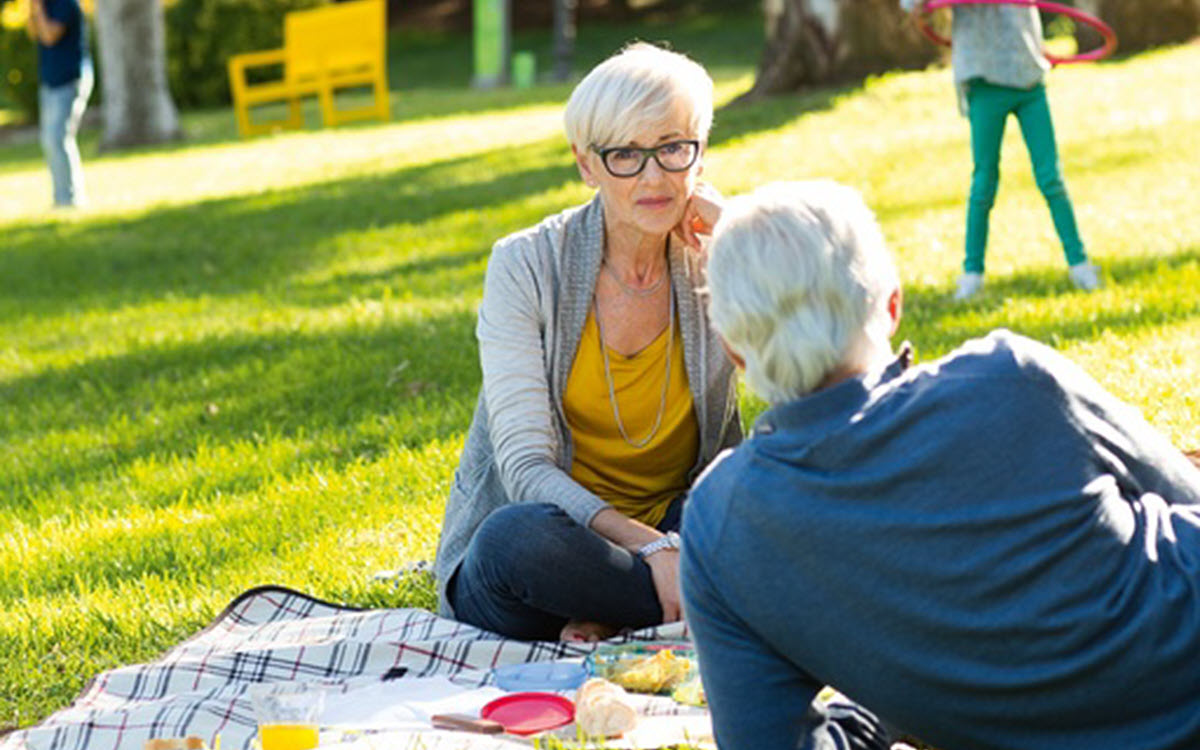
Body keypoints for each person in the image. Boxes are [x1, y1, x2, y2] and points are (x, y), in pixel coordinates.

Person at [680, 180, 1200, 749]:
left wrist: (881, 705)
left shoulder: (720, 523)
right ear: (892, 305)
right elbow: (1186, 494)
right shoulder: (1011, 376)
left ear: (732, 349)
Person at [432, 43, 742, 643]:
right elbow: (523, 467)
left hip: (681, 521)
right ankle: (695, 598)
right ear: (586, 164)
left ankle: (620, 611)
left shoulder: (716, 262)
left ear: (699, 155)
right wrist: (656, 549)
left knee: (759, 508)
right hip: (559, 545)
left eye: (673, 149)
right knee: (514, 540)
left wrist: (739, 237)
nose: (653, 176)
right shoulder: (524, 264)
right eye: (626, 154)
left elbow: (810, 374)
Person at [904, 0, 1101, 299]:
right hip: (985, 79)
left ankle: (1080, 264)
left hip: (1028, 76)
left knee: (1051, 177)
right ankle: (972, 274)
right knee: (984, 182)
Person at [26, 0, 92, 209]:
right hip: (50, 80)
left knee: (58, 138)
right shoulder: (46, 5)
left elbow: (49, 36)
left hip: (69, 79)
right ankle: (61, 197)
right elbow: (34, 33)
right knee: (50, 140)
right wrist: (34, 10)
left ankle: (70, 199)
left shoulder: (66, 4)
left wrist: (37, 8)